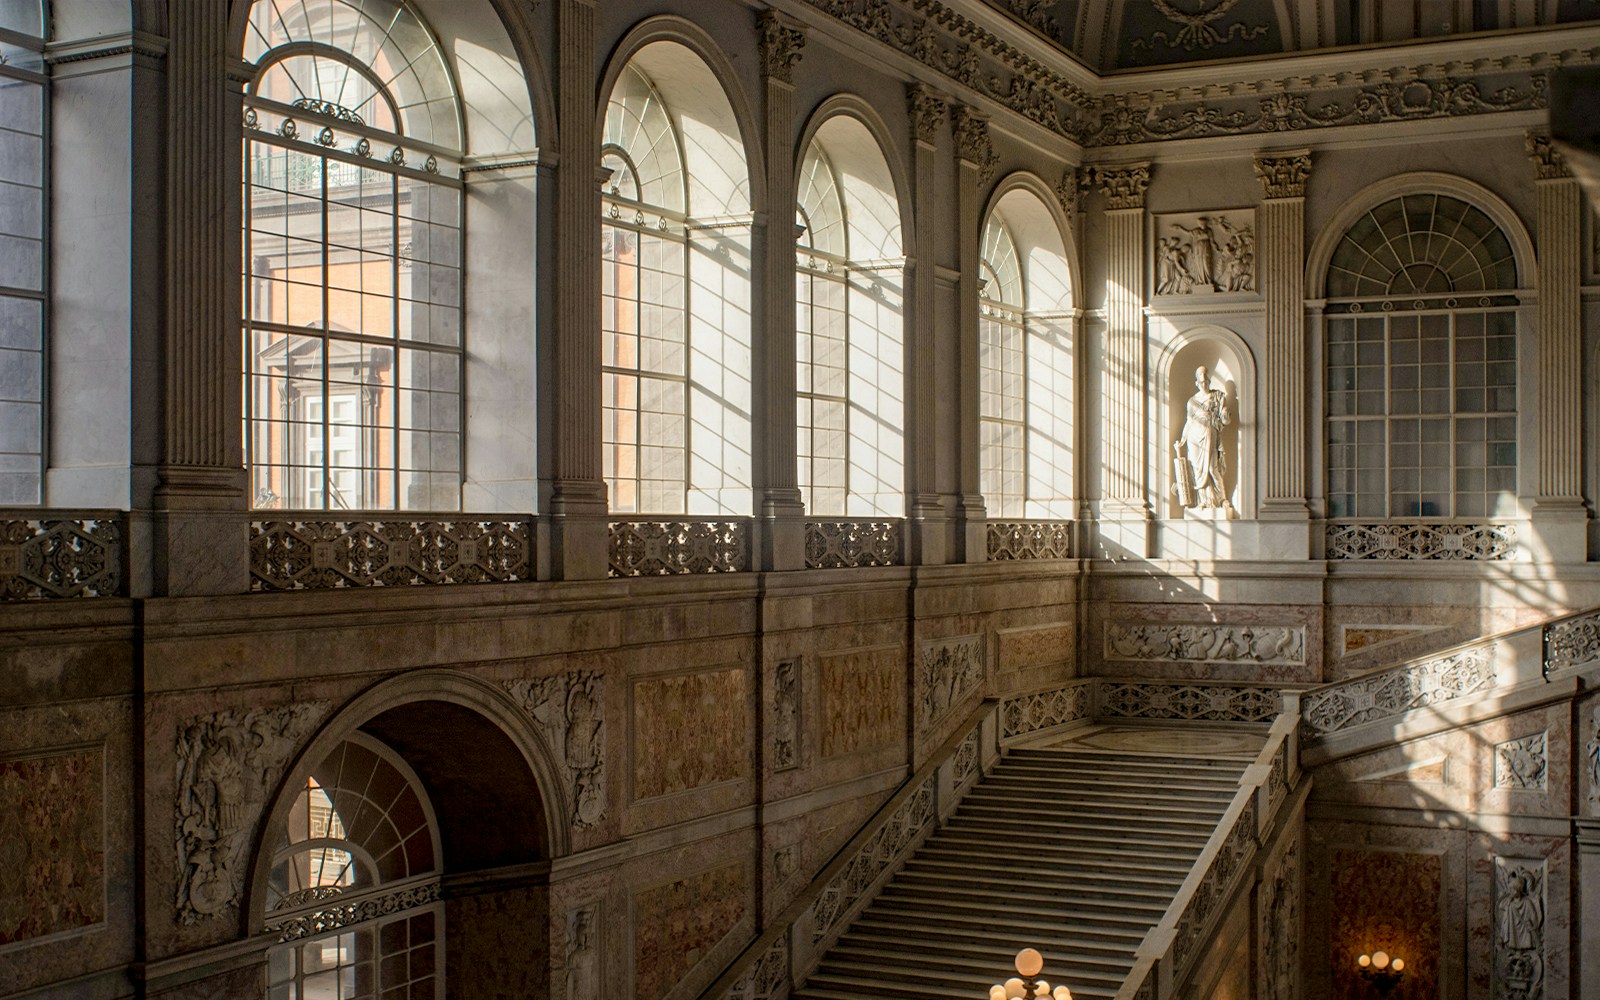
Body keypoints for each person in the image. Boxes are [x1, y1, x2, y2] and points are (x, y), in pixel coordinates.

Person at [1176, 365, 1232, 511]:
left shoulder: (1217, 397)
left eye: (1206, 381)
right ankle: (1203, 500)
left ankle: (1222, 499)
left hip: (1209, 434)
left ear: (1209, 381)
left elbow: (1224, 419)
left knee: (1213, 468)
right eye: (1201, 382)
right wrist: (1182, 440)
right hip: (1194, 438)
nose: (1204, 384)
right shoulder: (1192, 401)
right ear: (1197, 383)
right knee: (1198, 470)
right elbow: (1189, 422)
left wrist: (1225, 415)